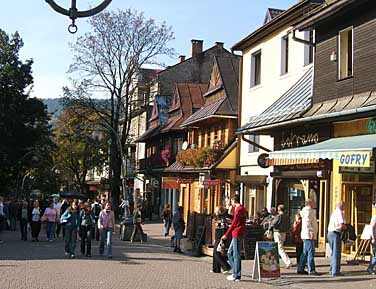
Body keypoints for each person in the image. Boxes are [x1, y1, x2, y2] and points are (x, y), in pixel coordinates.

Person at [221, 194, 247, 282]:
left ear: (234, 200)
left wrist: (226, 234)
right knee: (229, 253)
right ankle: (235, 270)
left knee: (236, 254)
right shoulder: (242, 208)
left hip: (237, 233)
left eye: (231, 201)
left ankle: (236, 275)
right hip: (238, 233)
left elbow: (234, 223)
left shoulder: (239, 210)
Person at [297, 199, 319, 275]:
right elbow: (307, 222)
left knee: (305, 252)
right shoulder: (308, 211)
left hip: (305, 234)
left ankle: (300, 268)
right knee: (310, 252)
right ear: (310, 203)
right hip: (308, 235)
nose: (314, 204)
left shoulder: (306, 211)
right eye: (313, 202)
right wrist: (311, 232)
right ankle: (311, 269)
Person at [270, 204, 293, 269]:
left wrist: (271, 223)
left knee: (280, 248)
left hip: (277, 232)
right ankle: (274, 262)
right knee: (279, 247)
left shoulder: (278, 216)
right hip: (284, 233)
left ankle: (288, 262)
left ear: (279, 210)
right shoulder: (287, 217)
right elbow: (289, 225)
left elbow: (274, 224)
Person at [327, 200, 346, 277]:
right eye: (344, 205)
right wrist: (345, 228)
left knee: (333, 252)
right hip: (336, 233)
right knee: (336, 253)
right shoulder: (340, 213)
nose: (345, 207)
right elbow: (341, 225)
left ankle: (332, 270)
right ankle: (335, 271)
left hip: (330, 233)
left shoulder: (334, 212)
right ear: (341, 206)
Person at [211, 206, 231, 274]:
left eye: (216, 210)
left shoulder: (222, 219)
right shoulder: (218, 218)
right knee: (215, 253)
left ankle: (226, 266)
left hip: (220, 238)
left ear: (219, 211)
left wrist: (221, 239)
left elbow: (222, 230)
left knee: (216, 253)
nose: (215, 212)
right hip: (218, 238)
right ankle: (216, 269)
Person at [367, 203, 376, 275]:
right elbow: (372, 228)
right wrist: (373, 238)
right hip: (374, 238)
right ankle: (370, 268)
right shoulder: (375, 217)